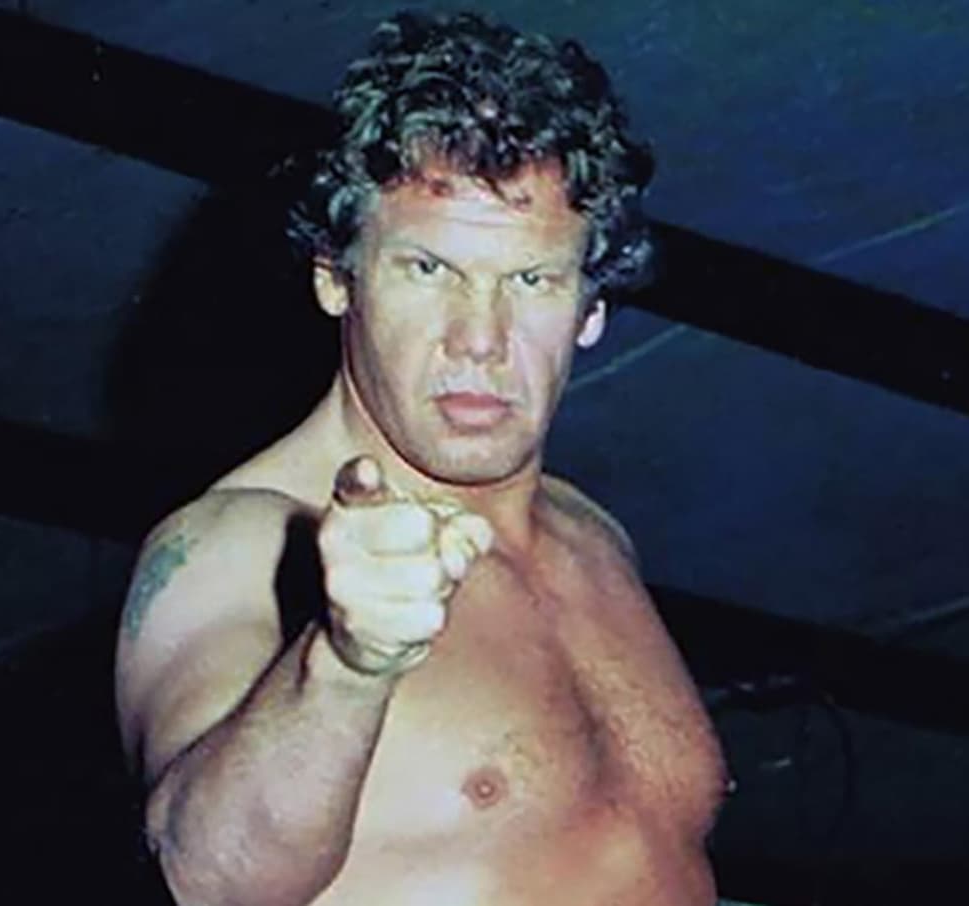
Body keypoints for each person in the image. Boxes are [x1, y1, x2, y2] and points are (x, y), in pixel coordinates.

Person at [113, 10, 734, 906]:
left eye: (532, 280)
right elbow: (205, 877)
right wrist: (350, 663)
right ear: (336, 276)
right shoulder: (231, 544)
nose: (480, 339)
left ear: (591, 307)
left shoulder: (596, 538)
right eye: (428, 270)